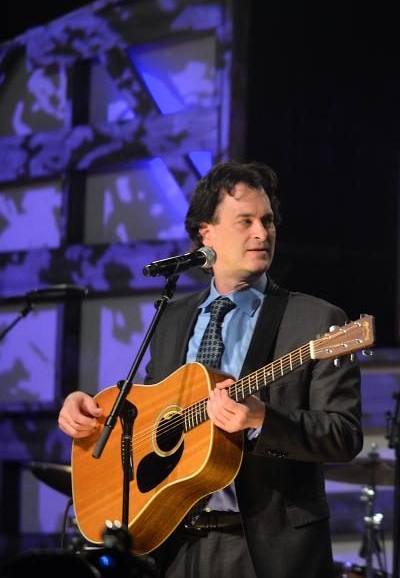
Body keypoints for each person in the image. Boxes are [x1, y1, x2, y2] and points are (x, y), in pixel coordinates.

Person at [57, 161, 363, 578]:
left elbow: (344, 435)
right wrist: (90, 412)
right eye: (246, 222)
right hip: (173, 544)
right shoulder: (172, 316)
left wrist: (261, 421)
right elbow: (150, 409)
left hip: (267, 550)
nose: (262, 233)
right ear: (207, 234)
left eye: (268, 221)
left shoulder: (315, 321)